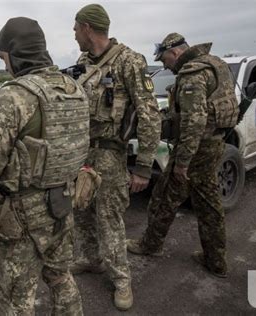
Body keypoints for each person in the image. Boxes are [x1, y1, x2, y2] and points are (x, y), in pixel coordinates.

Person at [0, 17, 89, 315]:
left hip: (22, 216)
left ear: (14, 54)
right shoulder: (75, 89)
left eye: (4, 58)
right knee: (60, 276)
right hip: (62, 203)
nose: (5, 66)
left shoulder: (14, 96)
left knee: (16, 296)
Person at [127, 33, 240, 279]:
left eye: (165, 58)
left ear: (175, 52)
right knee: (208, 202)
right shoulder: (216, 63)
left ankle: (151, 244)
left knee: (165, 195)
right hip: (215, 142)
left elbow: (194, 122)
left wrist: (182, 162)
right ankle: (216, 260)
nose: (165, 64)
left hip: (196, 148)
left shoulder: (191, 73)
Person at [71, 4, 161, 310]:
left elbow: (149, 114)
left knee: (109, 218)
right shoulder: (83, 61)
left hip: (111, 152)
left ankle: (122, 280)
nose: (73, 34)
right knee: (81, 207)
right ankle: (91, 258)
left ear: (87, 28)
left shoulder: (129, 61)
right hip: (83, 149)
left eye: (75, 28)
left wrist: (144, 167)